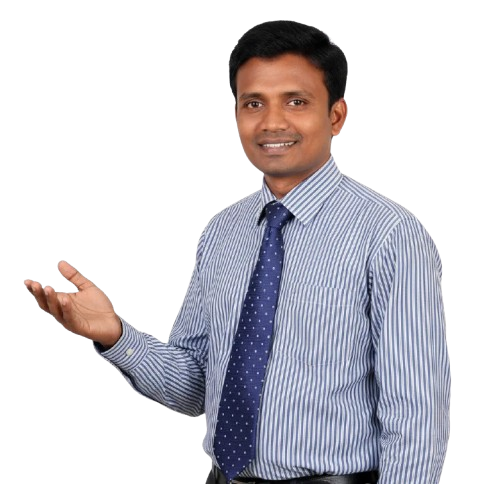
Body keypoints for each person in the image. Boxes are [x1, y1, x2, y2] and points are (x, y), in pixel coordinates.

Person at [23, 20, 451, 484]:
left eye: (296, 101)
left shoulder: (389, 234)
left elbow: (416, 415)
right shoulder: (222, 231)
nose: (272, 122)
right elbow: (195, 389)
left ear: (336, 116)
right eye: (253, 103)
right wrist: (116, 336)